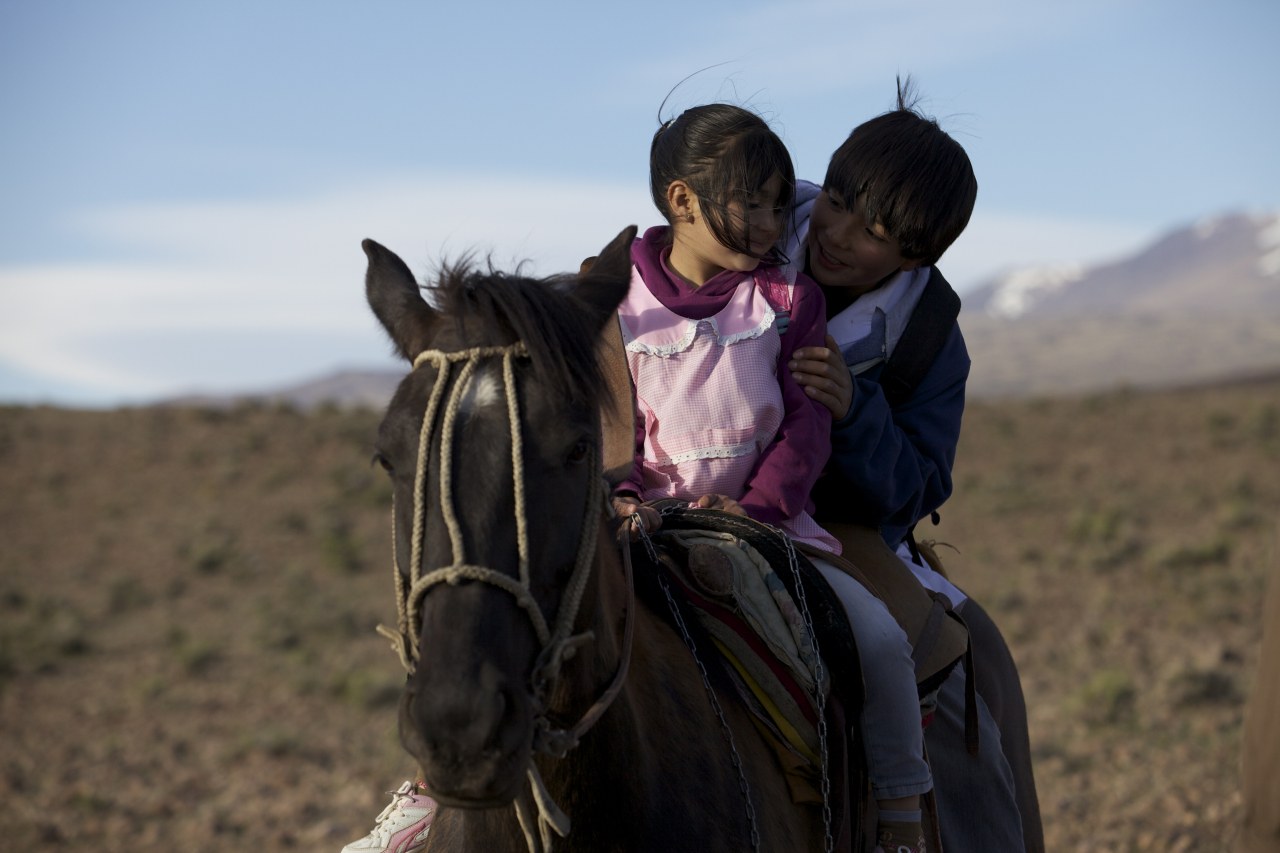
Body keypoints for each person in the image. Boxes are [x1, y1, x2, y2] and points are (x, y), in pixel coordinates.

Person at [609, 102, 933, 853]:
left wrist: (760, 507)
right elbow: (604, 423)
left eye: (777, 204)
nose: (768, 223)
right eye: (747, 203)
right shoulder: (614, 305)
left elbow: (805, 424)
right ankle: (436, 798)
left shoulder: (789, 300)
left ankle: (901, 820)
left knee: (882, 640)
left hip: (769, 528)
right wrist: (622, 497)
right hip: (641, 527)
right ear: (681, 199)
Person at [783, 79, 1043, 851]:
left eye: (874, 231)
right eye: (835, 198)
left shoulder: (930, 339)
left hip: (835, 530)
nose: (835, 232)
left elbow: (919, 485)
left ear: (913, 254)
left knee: (956, 665)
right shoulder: (750, 222)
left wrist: (853, 415)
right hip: (675, 489)